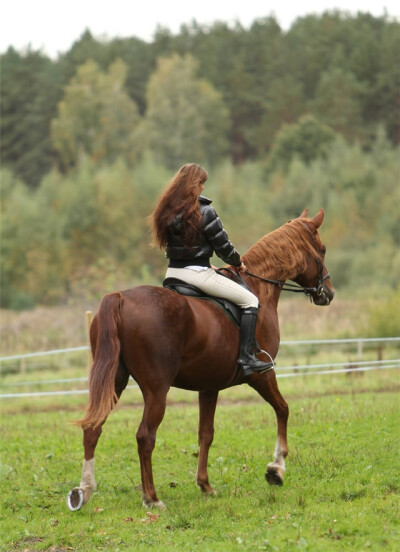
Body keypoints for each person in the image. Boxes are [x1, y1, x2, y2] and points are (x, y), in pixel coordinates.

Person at [150, 163, 270, 377]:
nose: (204, 188)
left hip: (173, 275)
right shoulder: (204, 211)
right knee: (250, 301)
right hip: (198, 276)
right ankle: (247, 359)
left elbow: (180, 249)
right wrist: (237, 262)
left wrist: (205, 262)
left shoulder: (166, 210)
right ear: (194, 184)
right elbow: (223, 246)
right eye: (202, 183)